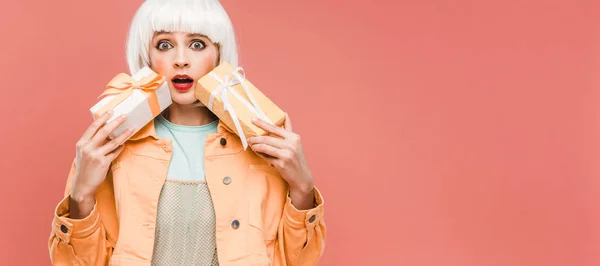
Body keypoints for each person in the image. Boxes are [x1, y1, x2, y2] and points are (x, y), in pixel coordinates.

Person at [47, 0, 326, 265]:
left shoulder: (261, 141)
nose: (181, 60)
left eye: (197, 44)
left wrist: (302, 189)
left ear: (219, 55)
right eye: (164, 44)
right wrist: (80, 195)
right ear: (147, 56)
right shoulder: (111, 145)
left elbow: (295, 261)